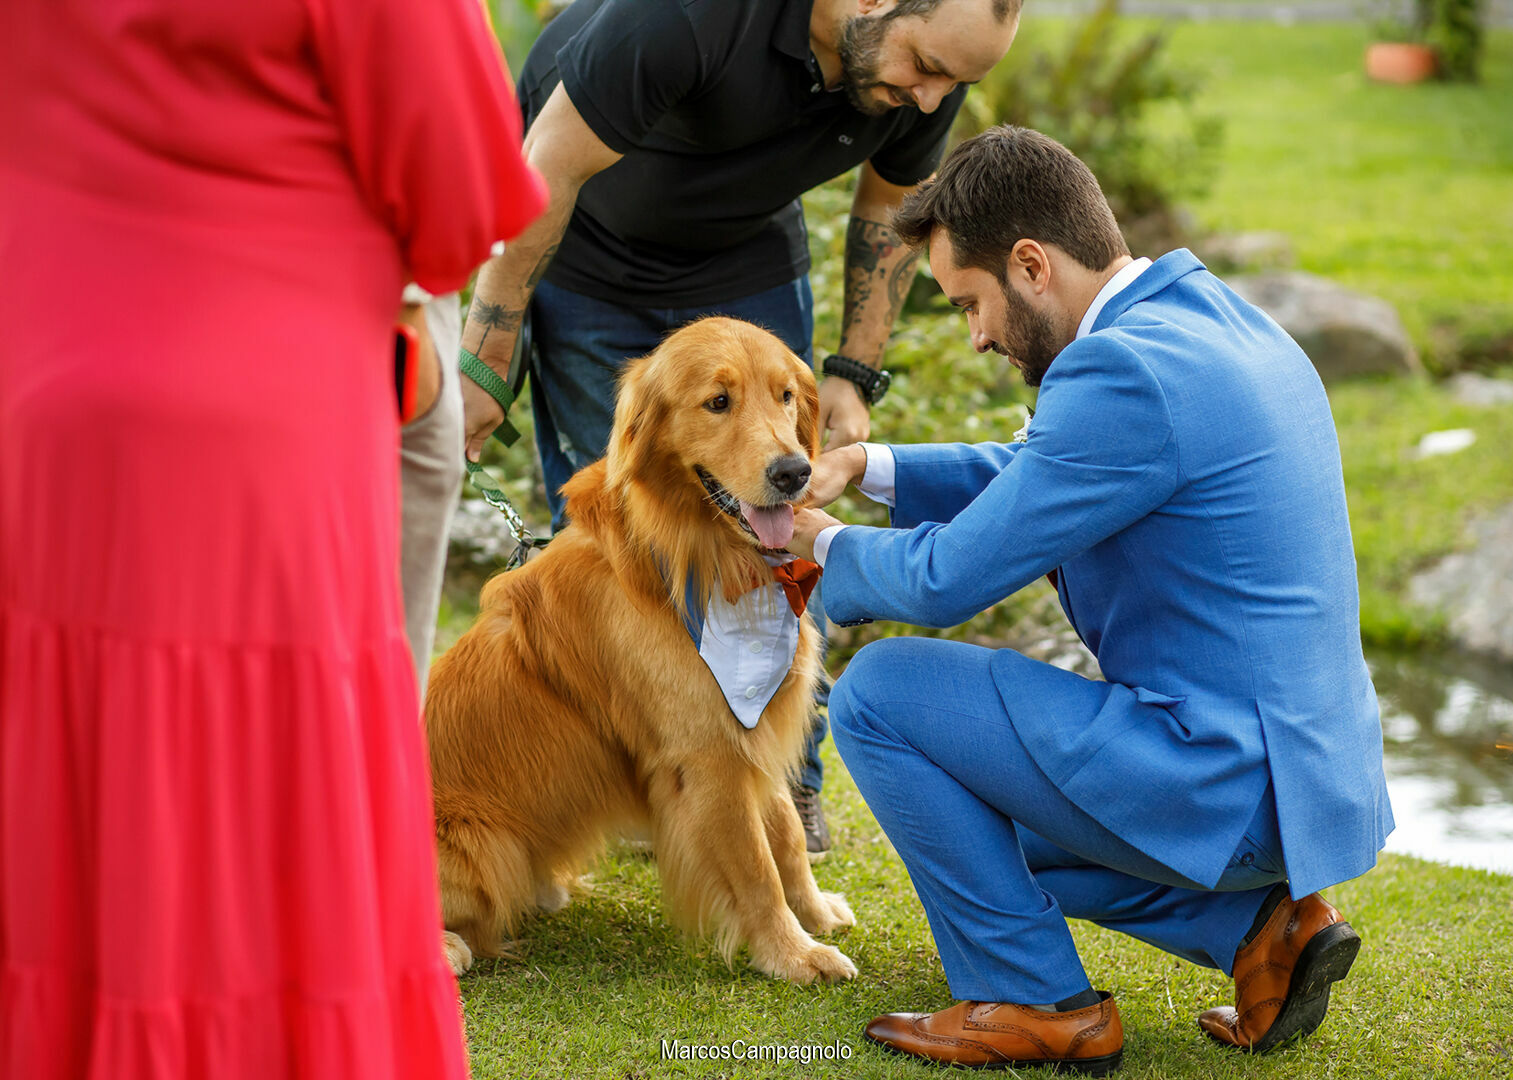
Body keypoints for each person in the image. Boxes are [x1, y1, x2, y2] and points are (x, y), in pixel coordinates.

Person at [0, 1, 544, 1077]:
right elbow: (458, 197)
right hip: (261, 414)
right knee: (273, 759)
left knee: (84, 751)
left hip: (42, 382)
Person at [787, 126, 1394, 1073]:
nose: (976, 335)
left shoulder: (1123, 372)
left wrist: (818, 544)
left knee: (881, 694)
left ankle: (1033, 1001)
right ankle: (1259, 934)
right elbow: (1049, 475)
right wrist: (869, 465)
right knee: (977, 822)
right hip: (1306, 783)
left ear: (1031, 264)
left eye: (971, 302)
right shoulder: (1211, 323)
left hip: (1224, 782)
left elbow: (946, 581)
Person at [454, 0, 1023, 858]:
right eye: (927, 66)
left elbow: (889, 213)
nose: (931, 97)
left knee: (778, 517)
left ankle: (785, 786)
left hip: (743, 252)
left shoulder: (917, 76)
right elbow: (546, 168)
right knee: (625, 535)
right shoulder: (689, 17)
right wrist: (486, 361)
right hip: (591, 250)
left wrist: (852, 373)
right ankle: (667, 769)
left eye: (955, 82)